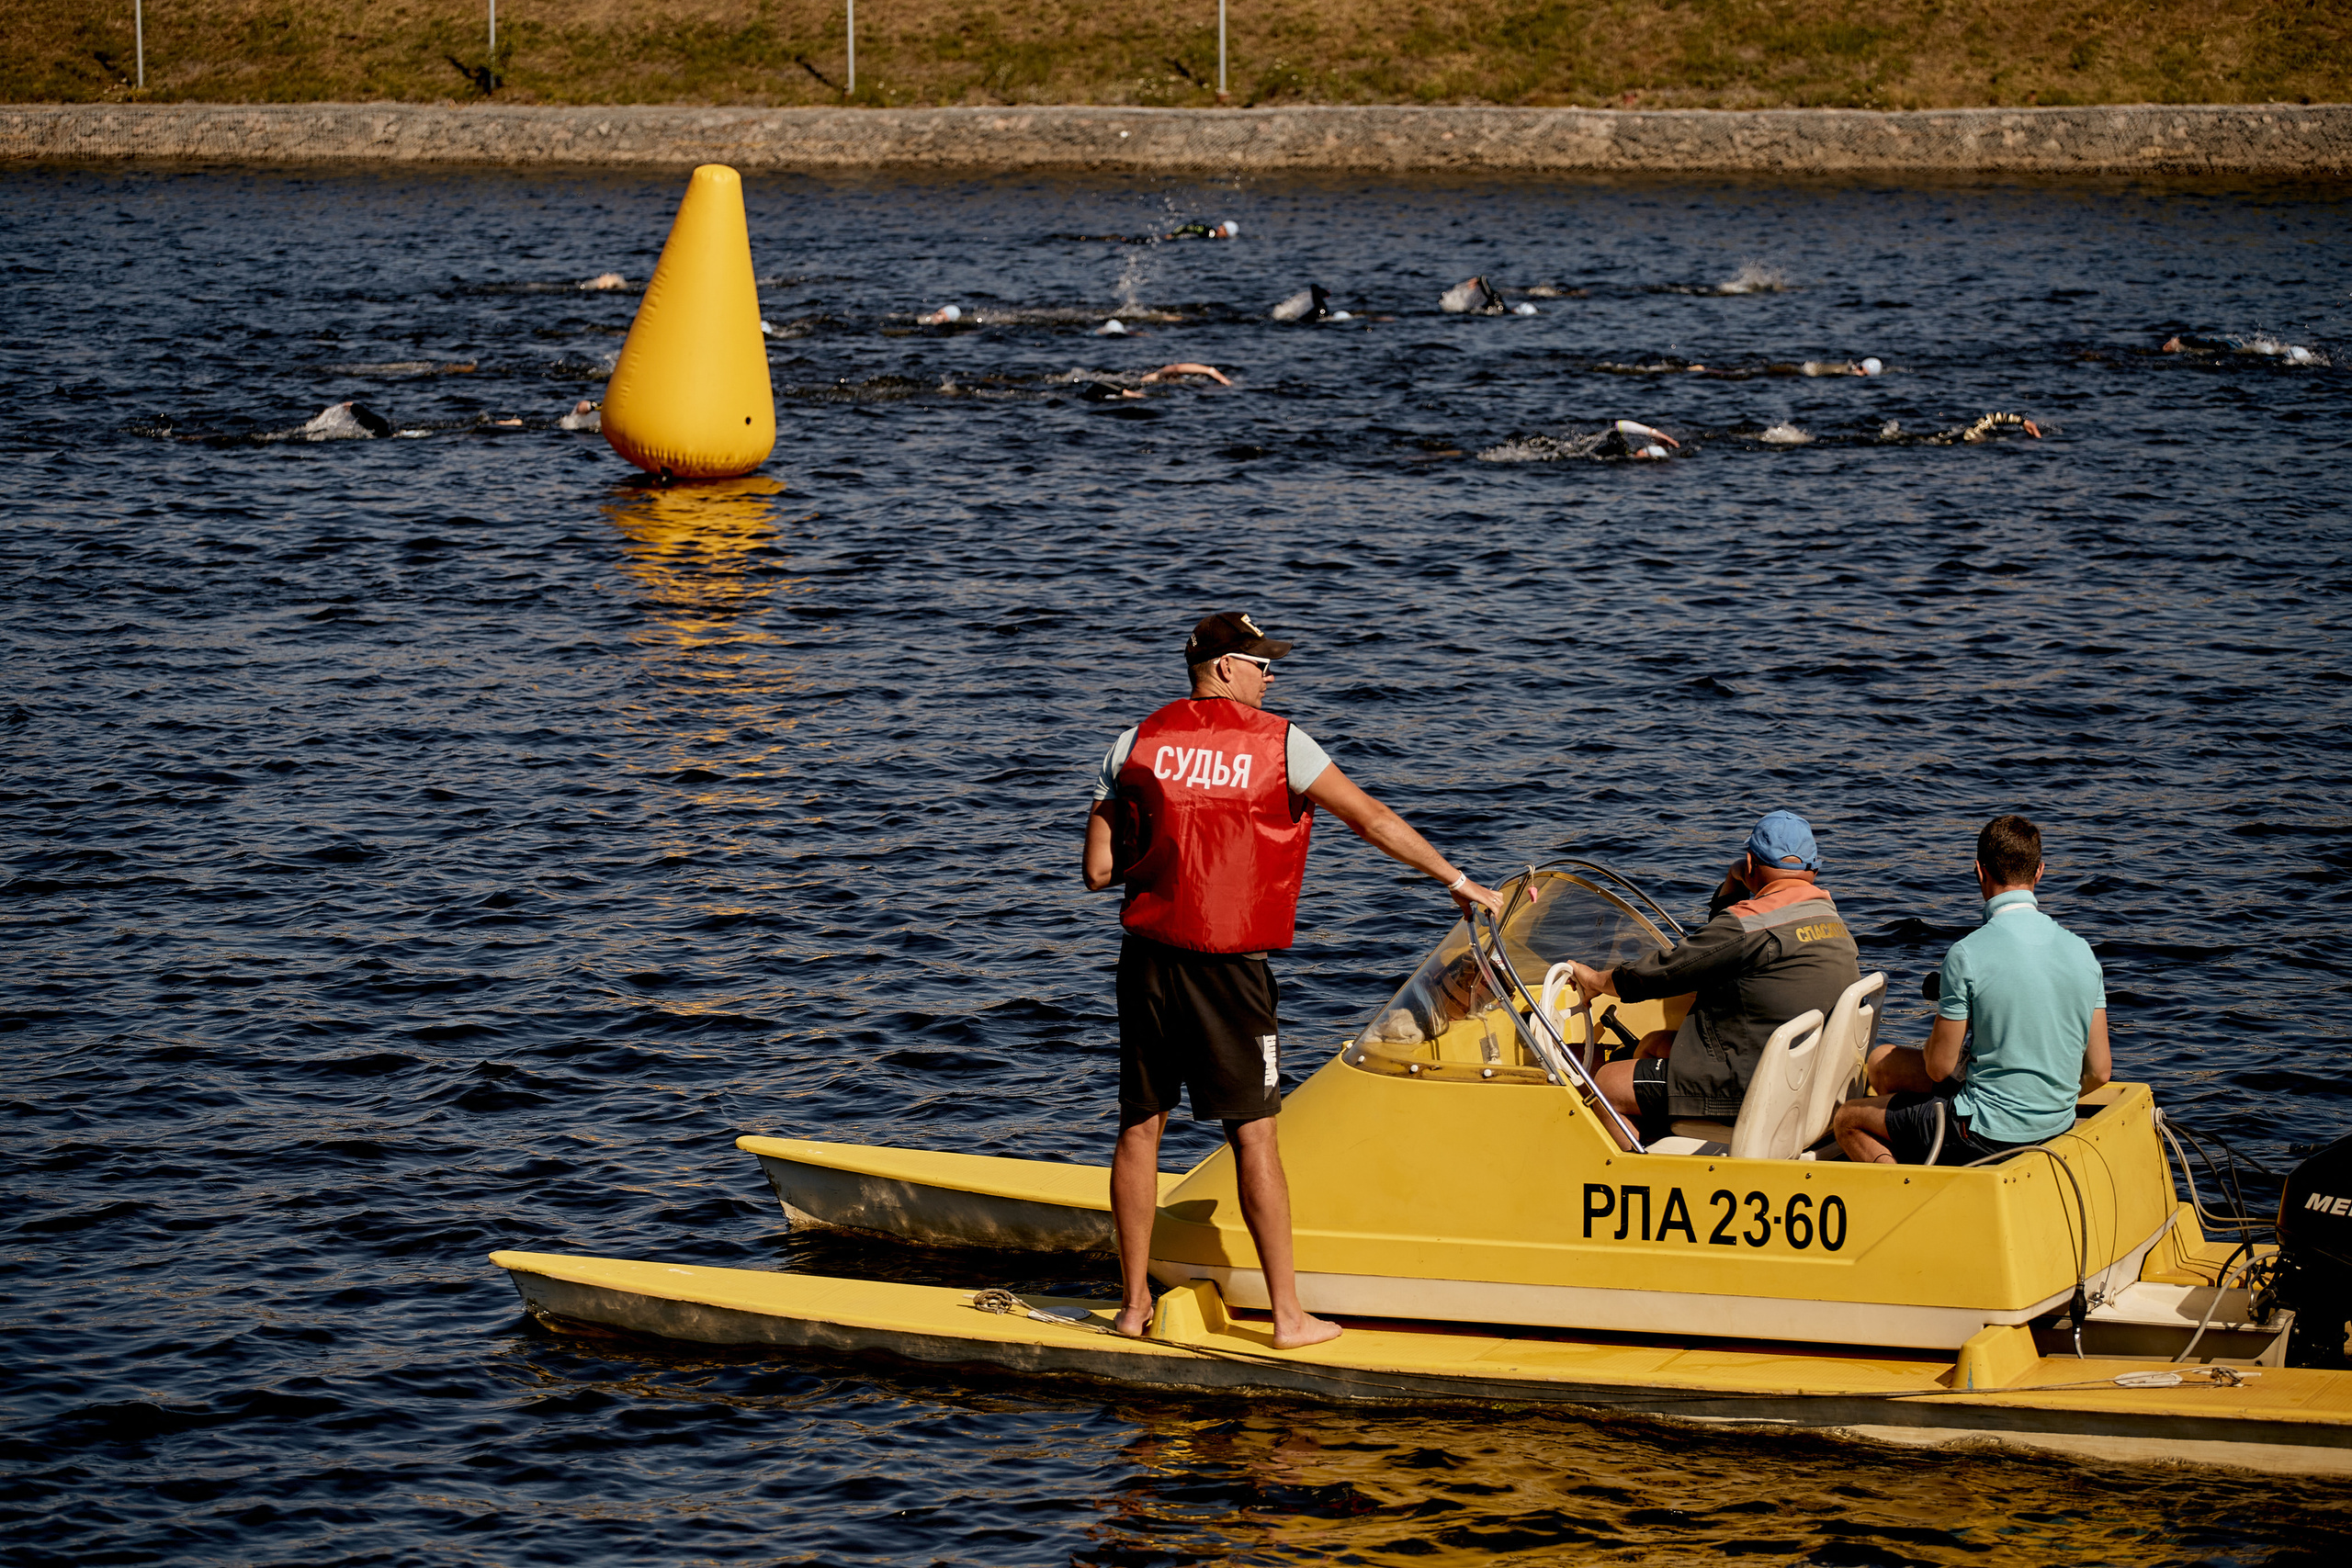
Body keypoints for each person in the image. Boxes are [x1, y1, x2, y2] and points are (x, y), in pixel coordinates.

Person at [1082, 612, 1509, 1347]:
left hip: (1147, 961)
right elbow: (1370, 818)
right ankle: (1287, 1317)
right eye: (1259, 663)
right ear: (1222, 667)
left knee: (1140, 1127)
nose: (1269, 676)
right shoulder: (1282, 742)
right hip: (1231, 971)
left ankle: (1130, 1308)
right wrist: (1456, 877)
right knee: (1254, 1134)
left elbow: (1096, 873)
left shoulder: (1133, 742)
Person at [1563, 812, 1861, 1149]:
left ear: (1749, 864)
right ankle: (1662, 1142)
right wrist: (1736, 886)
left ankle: (1640, 1180)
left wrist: (1597, 980)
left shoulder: (1750, 924)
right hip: (1806, 1077)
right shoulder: (1827, 917)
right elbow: (1723, 944)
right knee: (1655, 1044)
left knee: (1606, 1084)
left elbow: (1665, 971)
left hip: (1751, 1087)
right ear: (1813, 870)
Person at [1833, 816, 2109, 1165]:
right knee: (1882, 1063)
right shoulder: (2082, 951)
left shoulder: (1967, 954)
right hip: (2057, 1123)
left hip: (1982, 1132)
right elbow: (2100, 1072)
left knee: (1848, 1120)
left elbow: (1938, 1068)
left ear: (1979, 871)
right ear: (2039, 872)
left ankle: (1905, 1191)